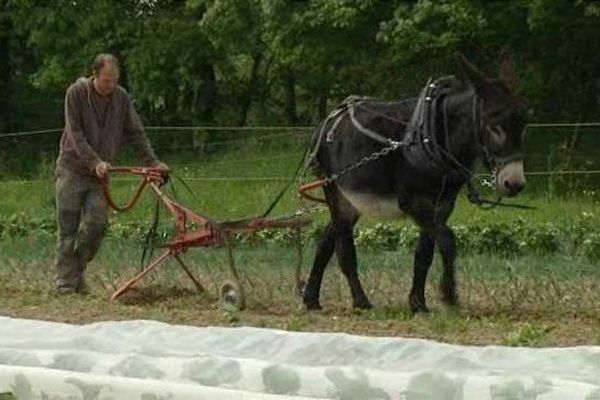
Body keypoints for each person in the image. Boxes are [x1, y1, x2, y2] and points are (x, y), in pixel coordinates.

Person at [54, 53, 168, 294]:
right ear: (95, 75)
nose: (111, 85)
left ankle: (75, 271)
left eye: (115, 80)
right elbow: (74, 132)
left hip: (100, 176)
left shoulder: (121, 98)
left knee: (97, 225)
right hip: (72, 170)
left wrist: (153, 162)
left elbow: (135, 133)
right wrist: (94, 161)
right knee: (68, 228)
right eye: (106, 80)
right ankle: (65, 283)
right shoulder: (76, 93)